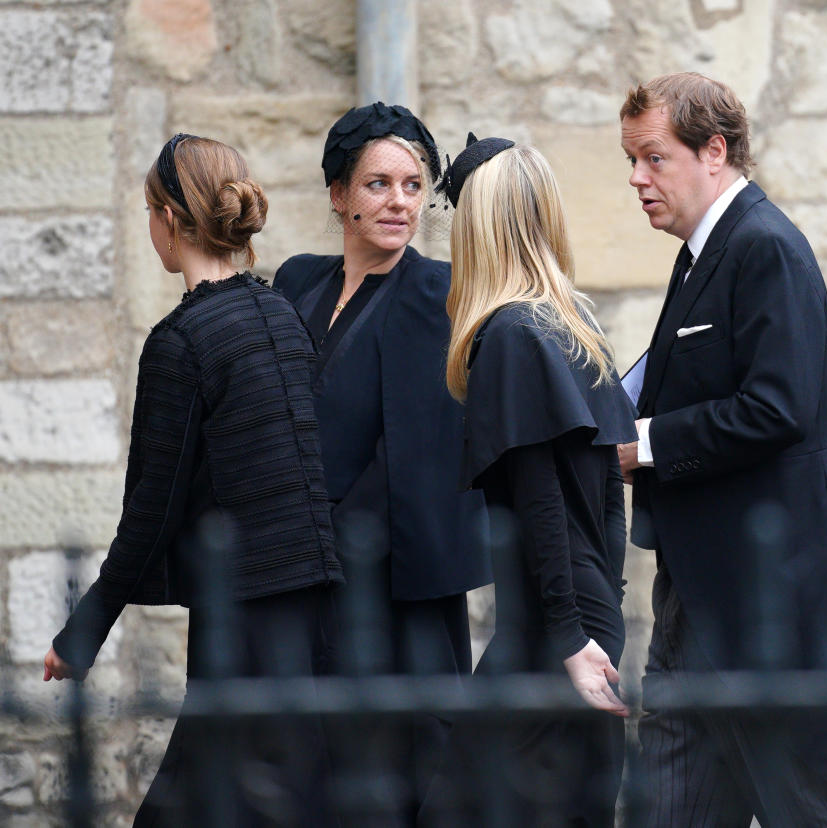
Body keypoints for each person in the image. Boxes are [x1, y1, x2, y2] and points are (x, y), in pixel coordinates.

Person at [616, 72, 827, 826]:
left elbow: (777, 407)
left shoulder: (766, 247)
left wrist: (641, 445)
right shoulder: (701, 252)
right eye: (630, 161)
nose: (638, 179)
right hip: (695, 591)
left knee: (807, 805)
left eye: (652, 158)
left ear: (714, 151)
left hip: (759, 604)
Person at [43, 134, 343, 826]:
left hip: (245, 618)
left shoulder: (181, 343)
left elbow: (152, 509)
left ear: (169, 220)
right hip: (315, 610)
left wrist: (82, 631)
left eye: (150, 210)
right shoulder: (283, 316)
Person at [271, 103, 490, 826]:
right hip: (299, 588)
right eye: (378, 184)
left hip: (392, 591)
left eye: (413, 184)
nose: (401, 202)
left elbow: (417, 453)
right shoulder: (299, 284)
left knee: (395, 783)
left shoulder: (438, 292)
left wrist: (323, 542)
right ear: (339, 195)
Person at [419, 137, 637, 827]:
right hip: (581, 605)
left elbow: (540, 499)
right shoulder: (574, 321)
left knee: (463, 807)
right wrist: (606, 612)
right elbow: (608, 492)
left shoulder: (511, 334)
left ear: (478, 226)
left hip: (551, 623)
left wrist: (571, 640)